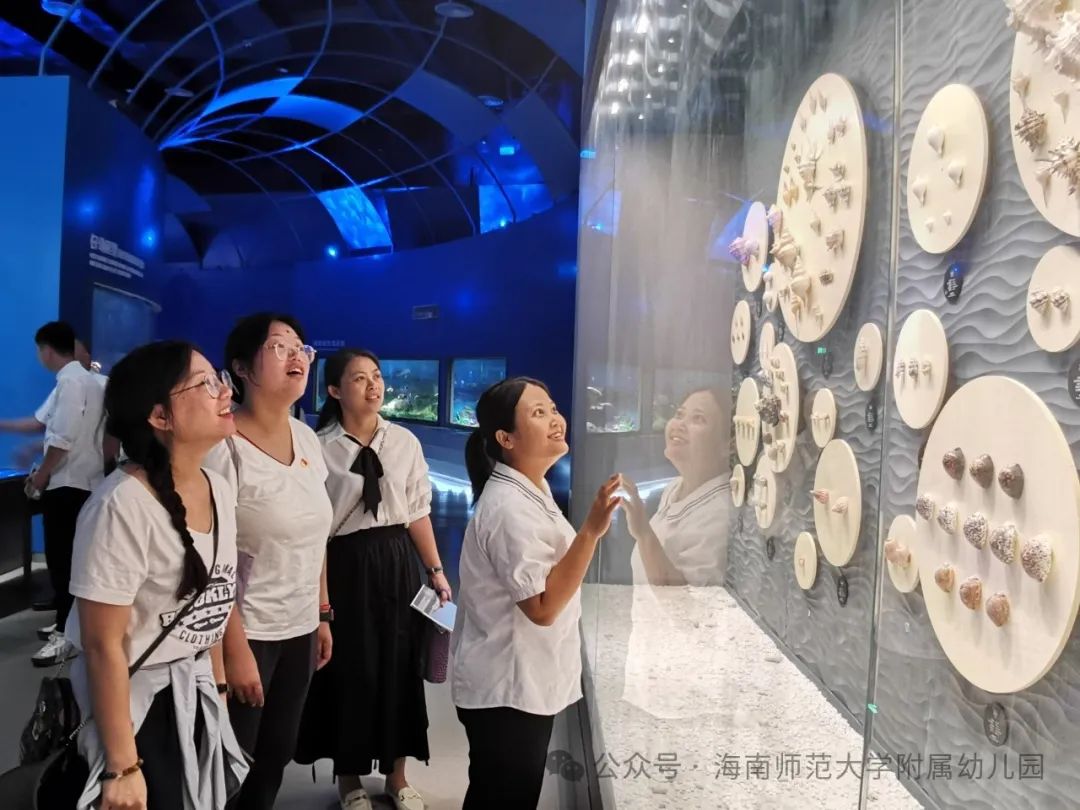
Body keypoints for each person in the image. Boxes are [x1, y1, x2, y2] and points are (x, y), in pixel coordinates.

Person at [65, 340, 248, 809]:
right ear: (160, 416)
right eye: (206, 383)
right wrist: (123, 766)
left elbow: (211, 603)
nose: (225, 391)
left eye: (219, 379)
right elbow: (102, 645)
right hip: (134, 706)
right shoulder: (119, 506)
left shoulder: (218, 488)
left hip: (196, 692)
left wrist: (218, 687)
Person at [451, 377, 622, 809]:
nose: (555, 419)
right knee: (504, 798)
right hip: (508, 689)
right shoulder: (508, 507)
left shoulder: (530, 489)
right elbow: (542, 608)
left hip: (519, 683)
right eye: (538, 413)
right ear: (505, 438)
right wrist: (591, 531)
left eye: (553, 408)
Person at [296, 349, 449, 810]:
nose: (373, 385)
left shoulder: (403, 441)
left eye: (377, 376)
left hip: (398, 562)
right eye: (359, 378)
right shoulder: (319, 448)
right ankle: (349, 779)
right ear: (334, 390)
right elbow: (316, 530)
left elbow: (417, 511)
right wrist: (322, 604)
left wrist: (435, 570)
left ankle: (397, 777)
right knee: (350, 669)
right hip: (343, 564)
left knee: (401, 665)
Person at [203, 313, 334, 810]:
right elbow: (210, 562)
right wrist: (234, 649)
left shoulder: (306, 438)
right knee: (233, 763)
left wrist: (322, 612)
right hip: (247, 632)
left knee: (275, 755)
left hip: (299, 629)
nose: (297, 356)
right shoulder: (223, 449)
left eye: (302, 347)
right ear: (240, 368)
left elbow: (316, 534)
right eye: (280, 347)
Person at [620, 387, 731, 720]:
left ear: (727, 444)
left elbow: (687, 612)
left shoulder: (723, 511)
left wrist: (643, 532)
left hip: (685, 695)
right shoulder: (674, 489)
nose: (679, 424)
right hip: (647, 675)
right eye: (679, 413)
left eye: (698, 419)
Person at [0, 322, 106, 666]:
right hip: (82, 482)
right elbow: (44, 425)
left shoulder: (72, 382)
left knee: (62, 561)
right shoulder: (84, 382)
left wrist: (41, 476)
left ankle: (66, 633)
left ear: (46, 349)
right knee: (68, 560)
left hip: (69, 484)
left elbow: (62, 438)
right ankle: (68, 623)